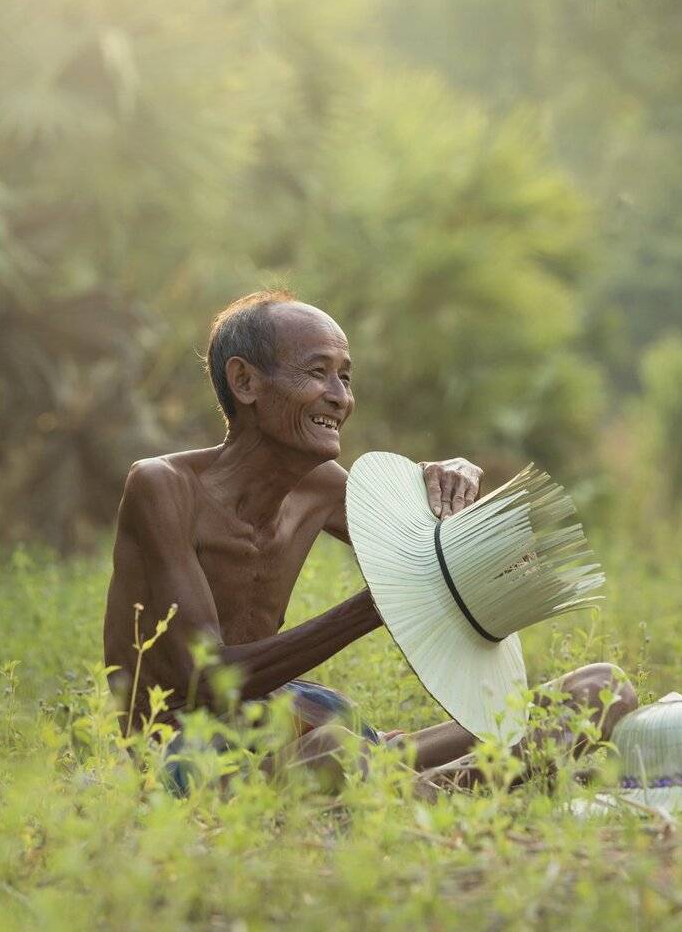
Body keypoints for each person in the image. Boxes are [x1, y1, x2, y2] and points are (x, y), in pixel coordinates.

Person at [102, 290, 636, 792]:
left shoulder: (322, 486)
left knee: (600, 689)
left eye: (346, 377)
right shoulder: (162, 486)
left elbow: (426, 551)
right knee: (336, 751)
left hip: (292, 727)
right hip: (185, 748)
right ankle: (448, 790)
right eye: (318, 373)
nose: (340, 398)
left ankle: (417, 788)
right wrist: (372, 608)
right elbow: (205, 682)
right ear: (245, 382)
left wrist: (443, 486)